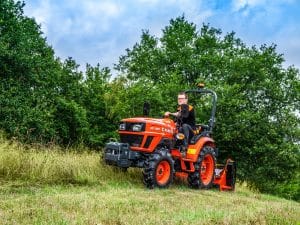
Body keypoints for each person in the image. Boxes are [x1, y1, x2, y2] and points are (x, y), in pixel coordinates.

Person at [165, 92, 195, 156]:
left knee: (184, 126)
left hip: (191, 133)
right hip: (181, 132)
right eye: (178, 98)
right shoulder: (179, 109)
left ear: (186, 100)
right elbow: (177, 118)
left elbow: (180, 114)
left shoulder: (189, 108)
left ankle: (184, 148)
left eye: (182, 98)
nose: (180, 100)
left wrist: (170, 113)